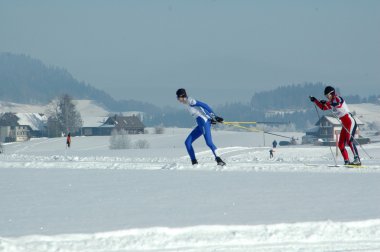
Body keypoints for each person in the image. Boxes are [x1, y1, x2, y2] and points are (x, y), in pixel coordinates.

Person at [310, 86, 361, 165]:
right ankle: (346, 161)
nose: (327, 97)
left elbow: (338, 104)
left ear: (332, 93)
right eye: (326, 96)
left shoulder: (337, 98)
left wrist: (328, 102)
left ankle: (357, 159)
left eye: (328, 96)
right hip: (344, 124)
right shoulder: (331, 102)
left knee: (349, 140)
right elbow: (323, 107)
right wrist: (315, 100)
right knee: (340, 144)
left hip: (350, 121)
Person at [176, 88, 226, 166]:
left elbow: (204, 105)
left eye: (178, 97)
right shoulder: (186, 103)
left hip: (203, 123)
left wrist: (214, 116)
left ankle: (219, 160)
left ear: (182, 96)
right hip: (200, 124)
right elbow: (201, 110)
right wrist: (210, 118)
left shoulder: (190, 101)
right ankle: (194, 162)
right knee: (187, 142)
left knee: (209, 143)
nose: (178, 99)